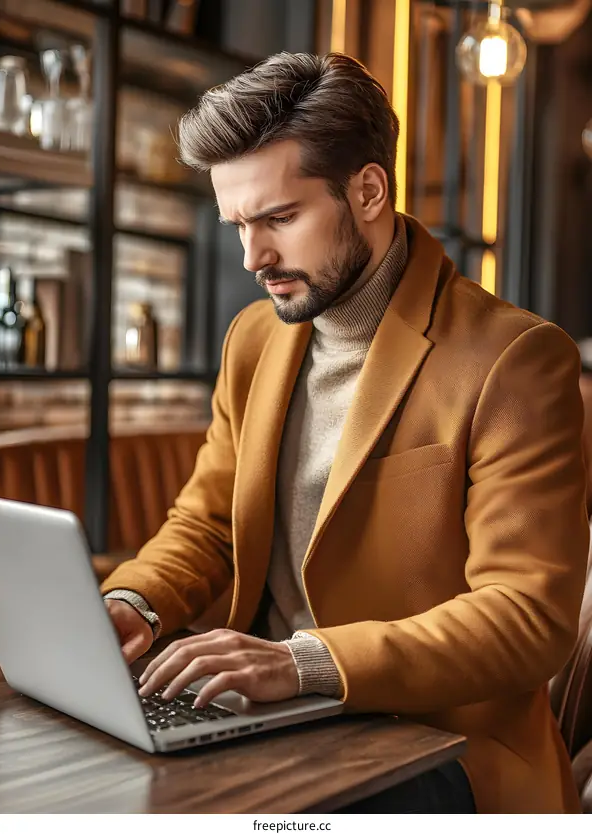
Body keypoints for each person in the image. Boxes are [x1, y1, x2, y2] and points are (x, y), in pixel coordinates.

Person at [101, 52, 589, 813]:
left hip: (439, 748)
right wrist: (136, 600)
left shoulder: (516, 361)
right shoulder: (254, 340)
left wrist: (307, 663)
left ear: (367, 189)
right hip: (269, 722)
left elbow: (526, 618)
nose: (252, 258)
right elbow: (205, 524)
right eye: (238, 224)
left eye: (279, 219)